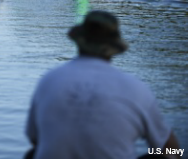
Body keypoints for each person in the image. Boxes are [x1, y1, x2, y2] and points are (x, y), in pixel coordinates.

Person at [25, 11, 180, 159]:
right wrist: (150, 151)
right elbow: (171, 149)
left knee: (33, 153)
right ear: (113, 48)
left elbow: (35, 138)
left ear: (79, 41)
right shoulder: (136, 88)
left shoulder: (49, 80)